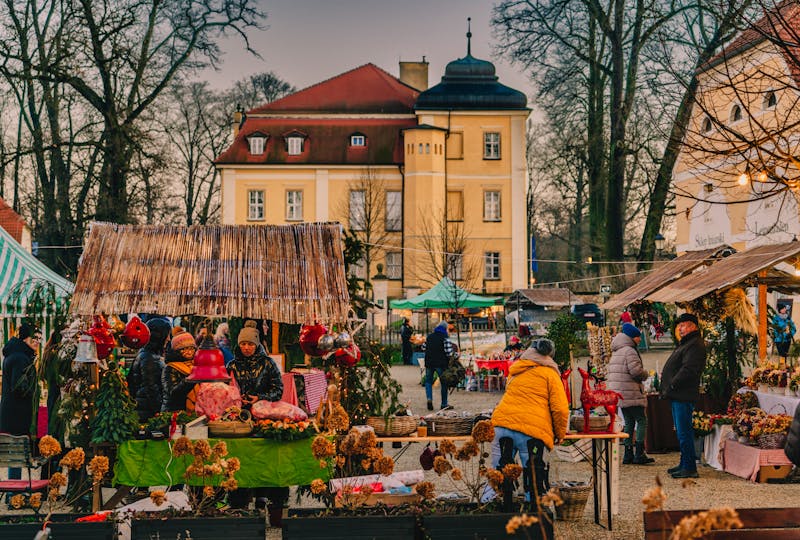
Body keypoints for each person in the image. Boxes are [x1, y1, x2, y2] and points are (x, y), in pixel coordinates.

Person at [490, 339, 569, 499]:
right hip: (531, 431)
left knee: (498, 474)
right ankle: (532, 514)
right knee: (532, 475)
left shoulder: (516, 370)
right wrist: (560, 434)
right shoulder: (550, 374)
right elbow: (560, 408)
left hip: (501, 425)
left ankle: (495, 509)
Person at [227, 320, 285, 523]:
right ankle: (239, 500)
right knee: (240, 457)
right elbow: (225, 391)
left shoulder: (268, 364)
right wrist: (237, 399)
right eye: (243, 344)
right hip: (238, 419)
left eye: (250, 344)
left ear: (257, 344)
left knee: (262, 456)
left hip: (264, 418)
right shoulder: (232, 365)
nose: (246, 347)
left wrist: (259, 397)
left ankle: (263, 496)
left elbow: (278, 389)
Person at [660, 313, 706, 479]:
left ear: (694, 326)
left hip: (683, 394)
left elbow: (688, 370)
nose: (680, 328)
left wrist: (672, 384)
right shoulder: (687, 343)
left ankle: (689, 467)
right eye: (679, 326)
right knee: (681, 431)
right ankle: (684, 463)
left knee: (684, 431)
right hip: (677, 394)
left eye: (684, 325)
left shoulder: (695, 345)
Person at [607, 323, 654, 465]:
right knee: (641, 420)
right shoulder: (630, 351)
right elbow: (636, 372)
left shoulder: (617, 350)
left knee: (628, 421)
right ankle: (639, 454)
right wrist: (646, 374)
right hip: (630, 392)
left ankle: (628, 454)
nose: (640, 340)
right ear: (632, 337)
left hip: (620, 393)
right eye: (638, 337)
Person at [0, 324, 40, 481]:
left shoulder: (16, 354)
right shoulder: (20, 358)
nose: (37, 341)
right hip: (17, 412)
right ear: (25, 338)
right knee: (16, 451)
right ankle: (13, 493)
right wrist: (32, 390)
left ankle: (13, 491)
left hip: (12, 410)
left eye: (39, 338)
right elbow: (19, 387)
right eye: (34, 338)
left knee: (14, 452)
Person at [126, 318, 170, 423]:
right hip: (147, 412)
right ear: (159, 336)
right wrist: (160, 412)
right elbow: (151, 388)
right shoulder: (150, 358)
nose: (168, 339)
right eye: (167, 335)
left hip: (143, 408)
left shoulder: (146, 354)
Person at [422, 320, 457, 411]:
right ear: (445, 328)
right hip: (440, 363)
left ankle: (429, 399)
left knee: (428, 381)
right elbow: (449, 353)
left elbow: (423, 347)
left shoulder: (429, 336)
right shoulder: (445, 337)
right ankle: (444, 404)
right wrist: (456, 355)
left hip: (429, 362)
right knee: (444, 383)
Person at [161, 330, 198, 412]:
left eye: (191, 348)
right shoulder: (170, 368)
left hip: (195, 413)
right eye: (184, 349)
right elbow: (173, 392)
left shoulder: (196, 365)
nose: (189, 352)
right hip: (174, 412)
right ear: (176, 351)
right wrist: (190, 379)